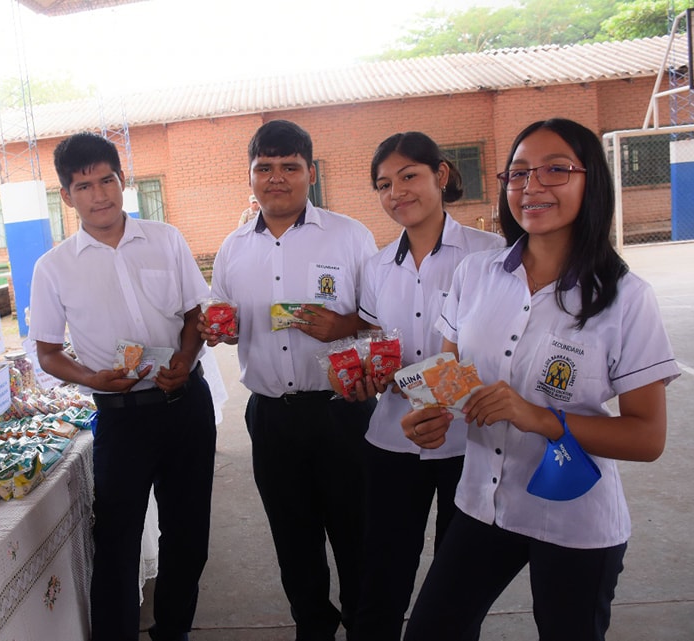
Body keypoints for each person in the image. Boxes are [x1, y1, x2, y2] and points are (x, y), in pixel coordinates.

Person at [401, 118, 679, 641]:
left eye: (556, 170)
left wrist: (539, 417)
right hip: (482, 504)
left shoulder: (626, 297)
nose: (533, 186)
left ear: (590, 181)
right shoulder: (475, 276)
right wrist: (427, 417)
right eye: (519, 172)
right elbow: (446, 379)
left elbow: (647, 438)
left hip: (574, 516)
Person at [28, 132, 216, 641]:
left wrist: (186, 355)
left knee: (188, 536)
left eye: (106, 179)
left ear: (122, 179)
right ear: (67, 196)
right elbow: (47, 352)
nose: (99, 195)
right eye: (83, 185)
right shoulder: (53, 269)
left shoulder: (165, 239)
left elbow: (196, 314)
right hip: (121, 417)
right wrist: (90, 378)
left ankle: (172, 630)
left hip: (185, 406)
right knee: (116, 542)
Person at [204, 119, 378, 639]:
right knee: (292, 535)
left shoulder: (350, 236)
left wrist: (343, 325)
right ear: (250, 176)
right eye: (265, 168)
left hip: (342, 410)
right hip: (271, 416)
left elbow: (383, 316)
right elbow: (228, 321)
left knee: (357, 533)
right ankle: (313, 627)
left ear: (311, 173)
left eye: (289, 167)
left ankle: (367, 625)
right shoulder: (234, 248)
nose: (276, 178)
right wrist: (221, 329)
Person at [348, 132, 504, 640]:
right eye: (383, 184)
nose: (397, 192)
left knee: (456, 582)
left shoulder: (490, 254)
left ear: (440, 175)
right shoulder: (376, 266)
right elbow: (376, 342)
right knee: (383, 571)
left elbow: (506, 345)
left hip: (469, 441)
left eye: (409, 176)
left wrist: (446, 394)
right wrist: (368, 372)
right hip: (391, 440)